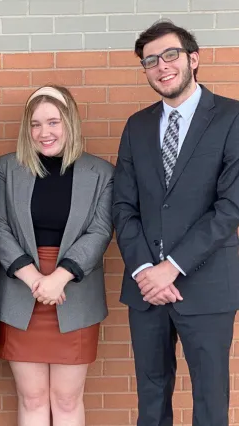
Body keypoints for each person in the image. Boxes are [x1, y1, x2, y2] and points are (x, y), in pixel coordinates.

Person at [113, 20, 239, 426]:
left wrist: (173, 266)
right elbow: (123, 206)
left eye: (170, 55)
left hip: (206, 285)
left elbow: (231, 206)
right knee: (151, 398)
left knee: (209, 400)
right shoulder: (137, 126)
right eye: (150, 60)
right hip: (145, 288)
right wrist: (146, 269)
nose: (161, 66)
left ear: (193, 59)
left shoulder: (232, 118)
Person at [0, 85, 114, 426]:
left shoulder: (101, 173)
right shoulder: (6, 169)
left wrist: (59, 277)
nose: (44, 132)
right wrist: (34, 279)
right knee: (31, 399)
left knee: (66, 399)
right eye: (35, 124)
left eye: (53, 122)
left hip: (73, 292)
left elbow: (100, 231)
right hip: (22, 292)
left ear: (70, 122)